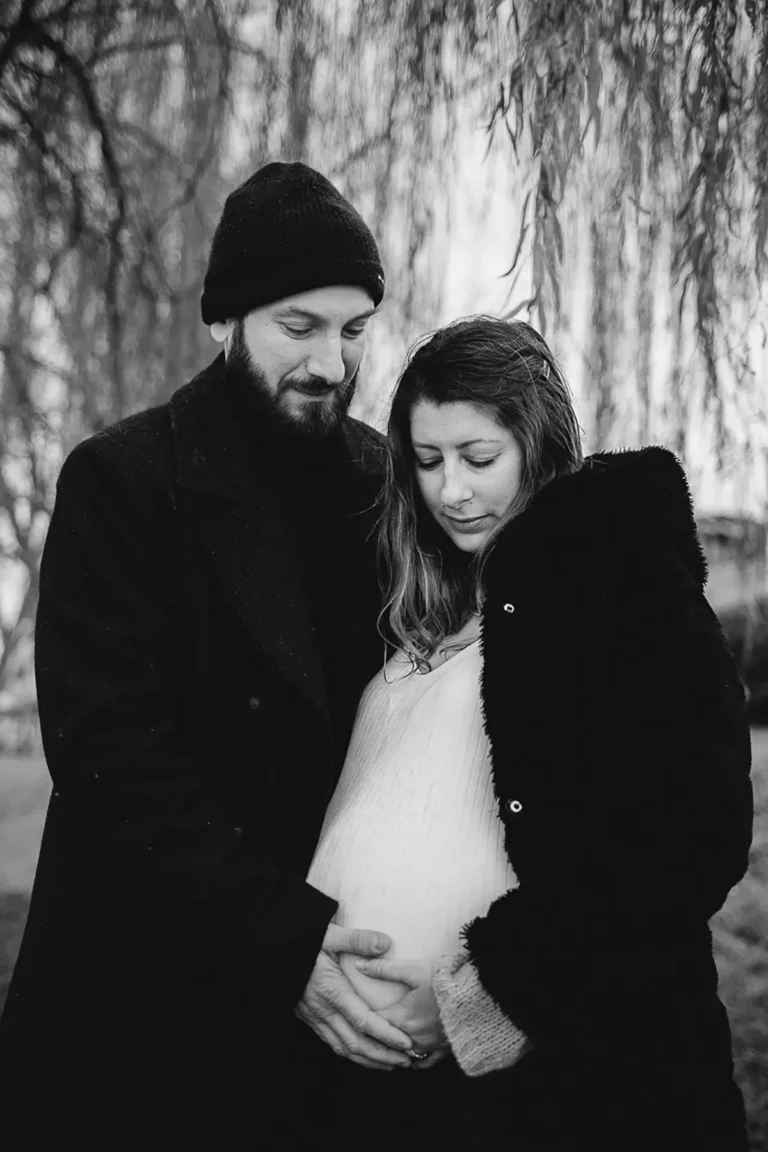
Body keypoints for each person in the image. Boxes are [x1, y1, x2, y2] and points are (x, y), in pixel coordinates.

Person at [0, 162, 419, 1141]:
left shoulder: (385, 487)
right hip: (142, 1007)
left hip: (328, 1031)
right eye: (299, 326)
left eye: (354, 329)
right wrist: (282, 945)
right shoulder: (122, 481)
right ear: (227, 320)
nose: (330, 362)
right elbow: (113, 760)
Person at [301, 317, 754, 1150]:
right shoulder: (425, 602)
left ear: (538, 448)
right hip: (380, 1094)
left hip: (566, 1082)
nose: (452, 492)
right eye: (428, 462)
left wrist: (489, 996)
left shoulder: (624, 583)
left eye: (480, 459)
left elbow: (697, 834)